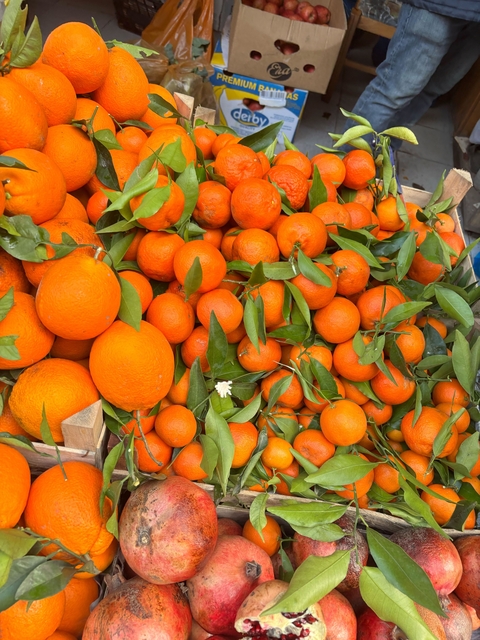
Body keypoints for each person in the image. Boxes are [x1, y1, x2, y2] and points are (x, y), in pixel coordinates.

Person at [346, 0, 480, 149]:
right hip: (440, 4)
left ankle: (382, 157)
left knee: (430, 91)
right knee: (392, 91)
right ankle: (348, 163)